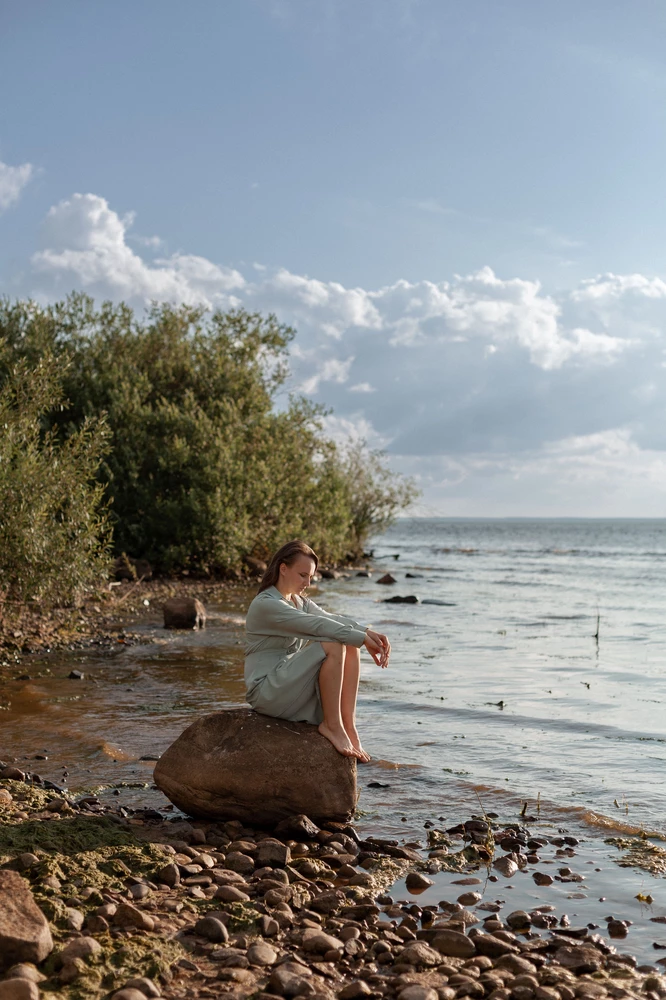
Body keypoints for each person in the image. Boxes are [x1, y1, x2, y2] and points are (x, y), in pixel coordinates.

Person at [244, 539, 391, 761]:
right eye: (303, 575)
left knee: (349, 646)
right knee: (334, 642)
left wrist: (369, 635)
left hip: (289, 684)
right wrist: (362, 638)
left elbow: (332, 619)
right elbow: (318, 626)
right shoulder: (267, 604)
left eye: (310, 576)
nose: (308, 582)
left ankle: (347, 726)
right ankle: (332, 726)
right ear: (283, 569)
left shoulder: (298, 601)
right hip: (267, 690)